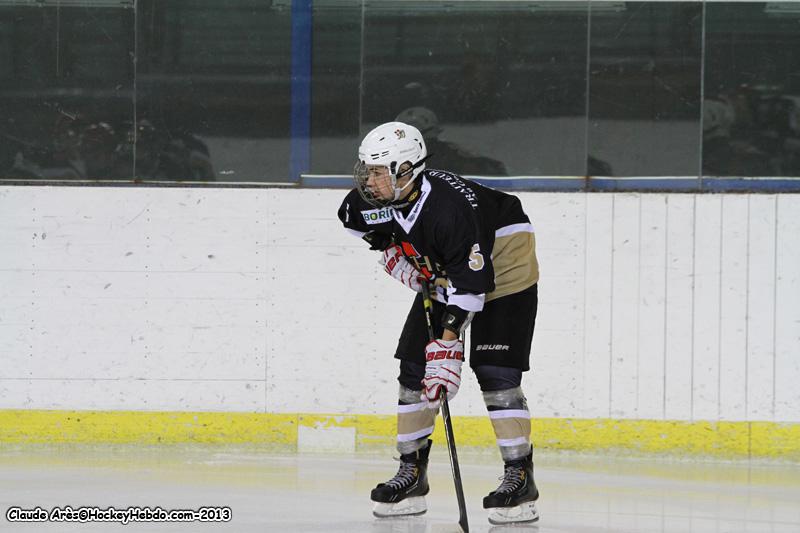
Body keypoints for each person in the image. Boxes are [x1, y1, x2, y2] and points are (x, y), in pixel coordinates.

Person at [337, 121, 541, 525]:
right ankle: (412, 472)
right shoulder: (370, 199)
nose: (369, 180)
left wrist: (446, 349)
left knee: (495, 369)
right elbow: (355, 220)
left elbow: (470, 286)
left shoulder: (450, 211)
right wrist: (395, 252)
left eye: (379, 171)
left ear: (407, 169)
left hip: (503, 252)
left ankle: (521, 478)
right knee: (414, 368)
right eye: (367, 169)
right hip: (454, 261)